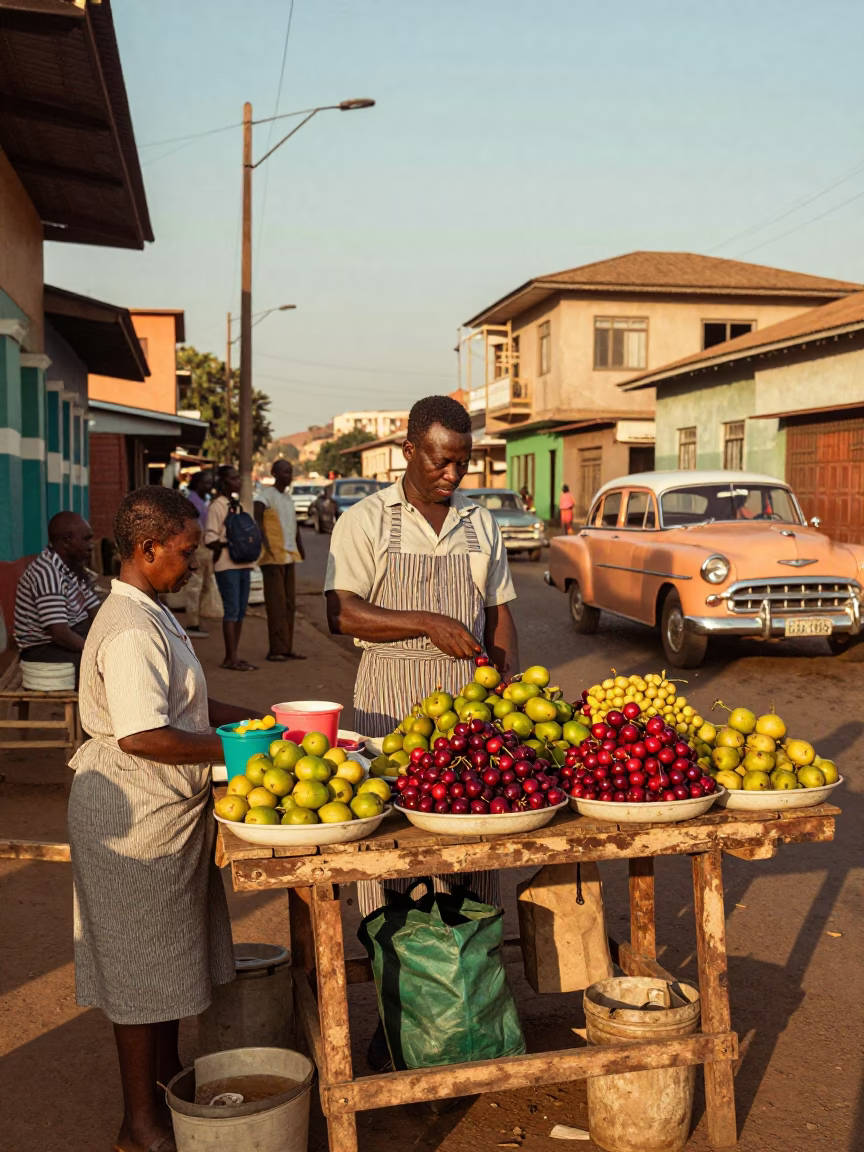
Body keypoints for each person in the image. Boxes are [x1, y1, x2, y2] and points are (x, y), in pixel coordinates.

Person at [67, 487, 262, 1152]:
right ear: (147, 550)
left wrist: (264, 721)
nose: (199, 561)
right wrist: (241, 749)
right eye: (187, 550)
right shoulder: (127, 630)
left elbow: (186, 708)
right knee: (138, 971)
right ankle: (140, 1126)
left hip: (164, 812)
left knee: (164, 964)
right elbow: (145, 735)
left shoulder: (151, 610)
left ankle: (166, 1084)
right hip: (133, 822)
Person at [325, 395, 519, 1064]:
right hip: (388, 707)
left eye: (463, 463)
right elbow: (343, 613)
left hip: (469, 713)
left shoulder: (480, 522)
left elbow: (499, 617)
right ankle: (398, 1014)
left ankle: (470, 1004)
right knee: (393, 867)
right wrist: (426, 622)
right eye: (441, 460)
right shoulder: (366, 521)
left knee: (473, 860)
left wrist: (508, 692)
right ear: (408, 449)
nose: (452, 475)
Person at [13, 511, 101, 682]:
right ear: (66, 541)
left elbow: (95, 611)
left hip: (71, 634)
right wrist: (96, 650)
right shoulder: (47, 573)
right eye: (85, 539)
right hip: (42, 649)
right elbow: (59, 633)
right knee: (104, 668)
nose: (91, 545)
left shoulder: (74, 568)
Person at [204, 464, 258, 671]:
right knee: (232, 610)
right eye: (234, 478)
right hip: (227, 565)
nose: (238, 481)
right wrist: (231, 544)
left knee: (241, 611)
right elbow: (210, 538)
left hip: (243, 563)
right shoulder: (217, 506)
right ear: (224, 481)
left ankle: (234, 655)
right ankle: (230, 657)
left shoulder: (238, 504)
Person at [254, 459, 306, 661]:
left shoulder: (287, 498)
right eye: (284, 472)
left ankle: (287, 646)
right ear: (274, 473)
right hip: (273, 558)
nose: (288, 475)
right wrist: (266, 547)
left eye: (290, 472)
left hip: (289, 556)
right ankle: (275, 649)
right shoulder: (266, 496)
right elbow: (257, 519)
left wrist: (300, 546)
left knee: (289, 604)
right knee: (276, 605)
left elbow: (294, 525)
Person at [182, 468, 213, 639]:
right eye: (207, 482)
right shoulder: (191, 501)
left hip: (205, 546)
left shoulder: (202, 500)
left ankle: (198, 619)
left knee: (203, 586)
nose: (210, 485)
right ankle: (192, 623)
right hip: (196, 547)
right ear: (198, 484)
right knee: (194, 586)